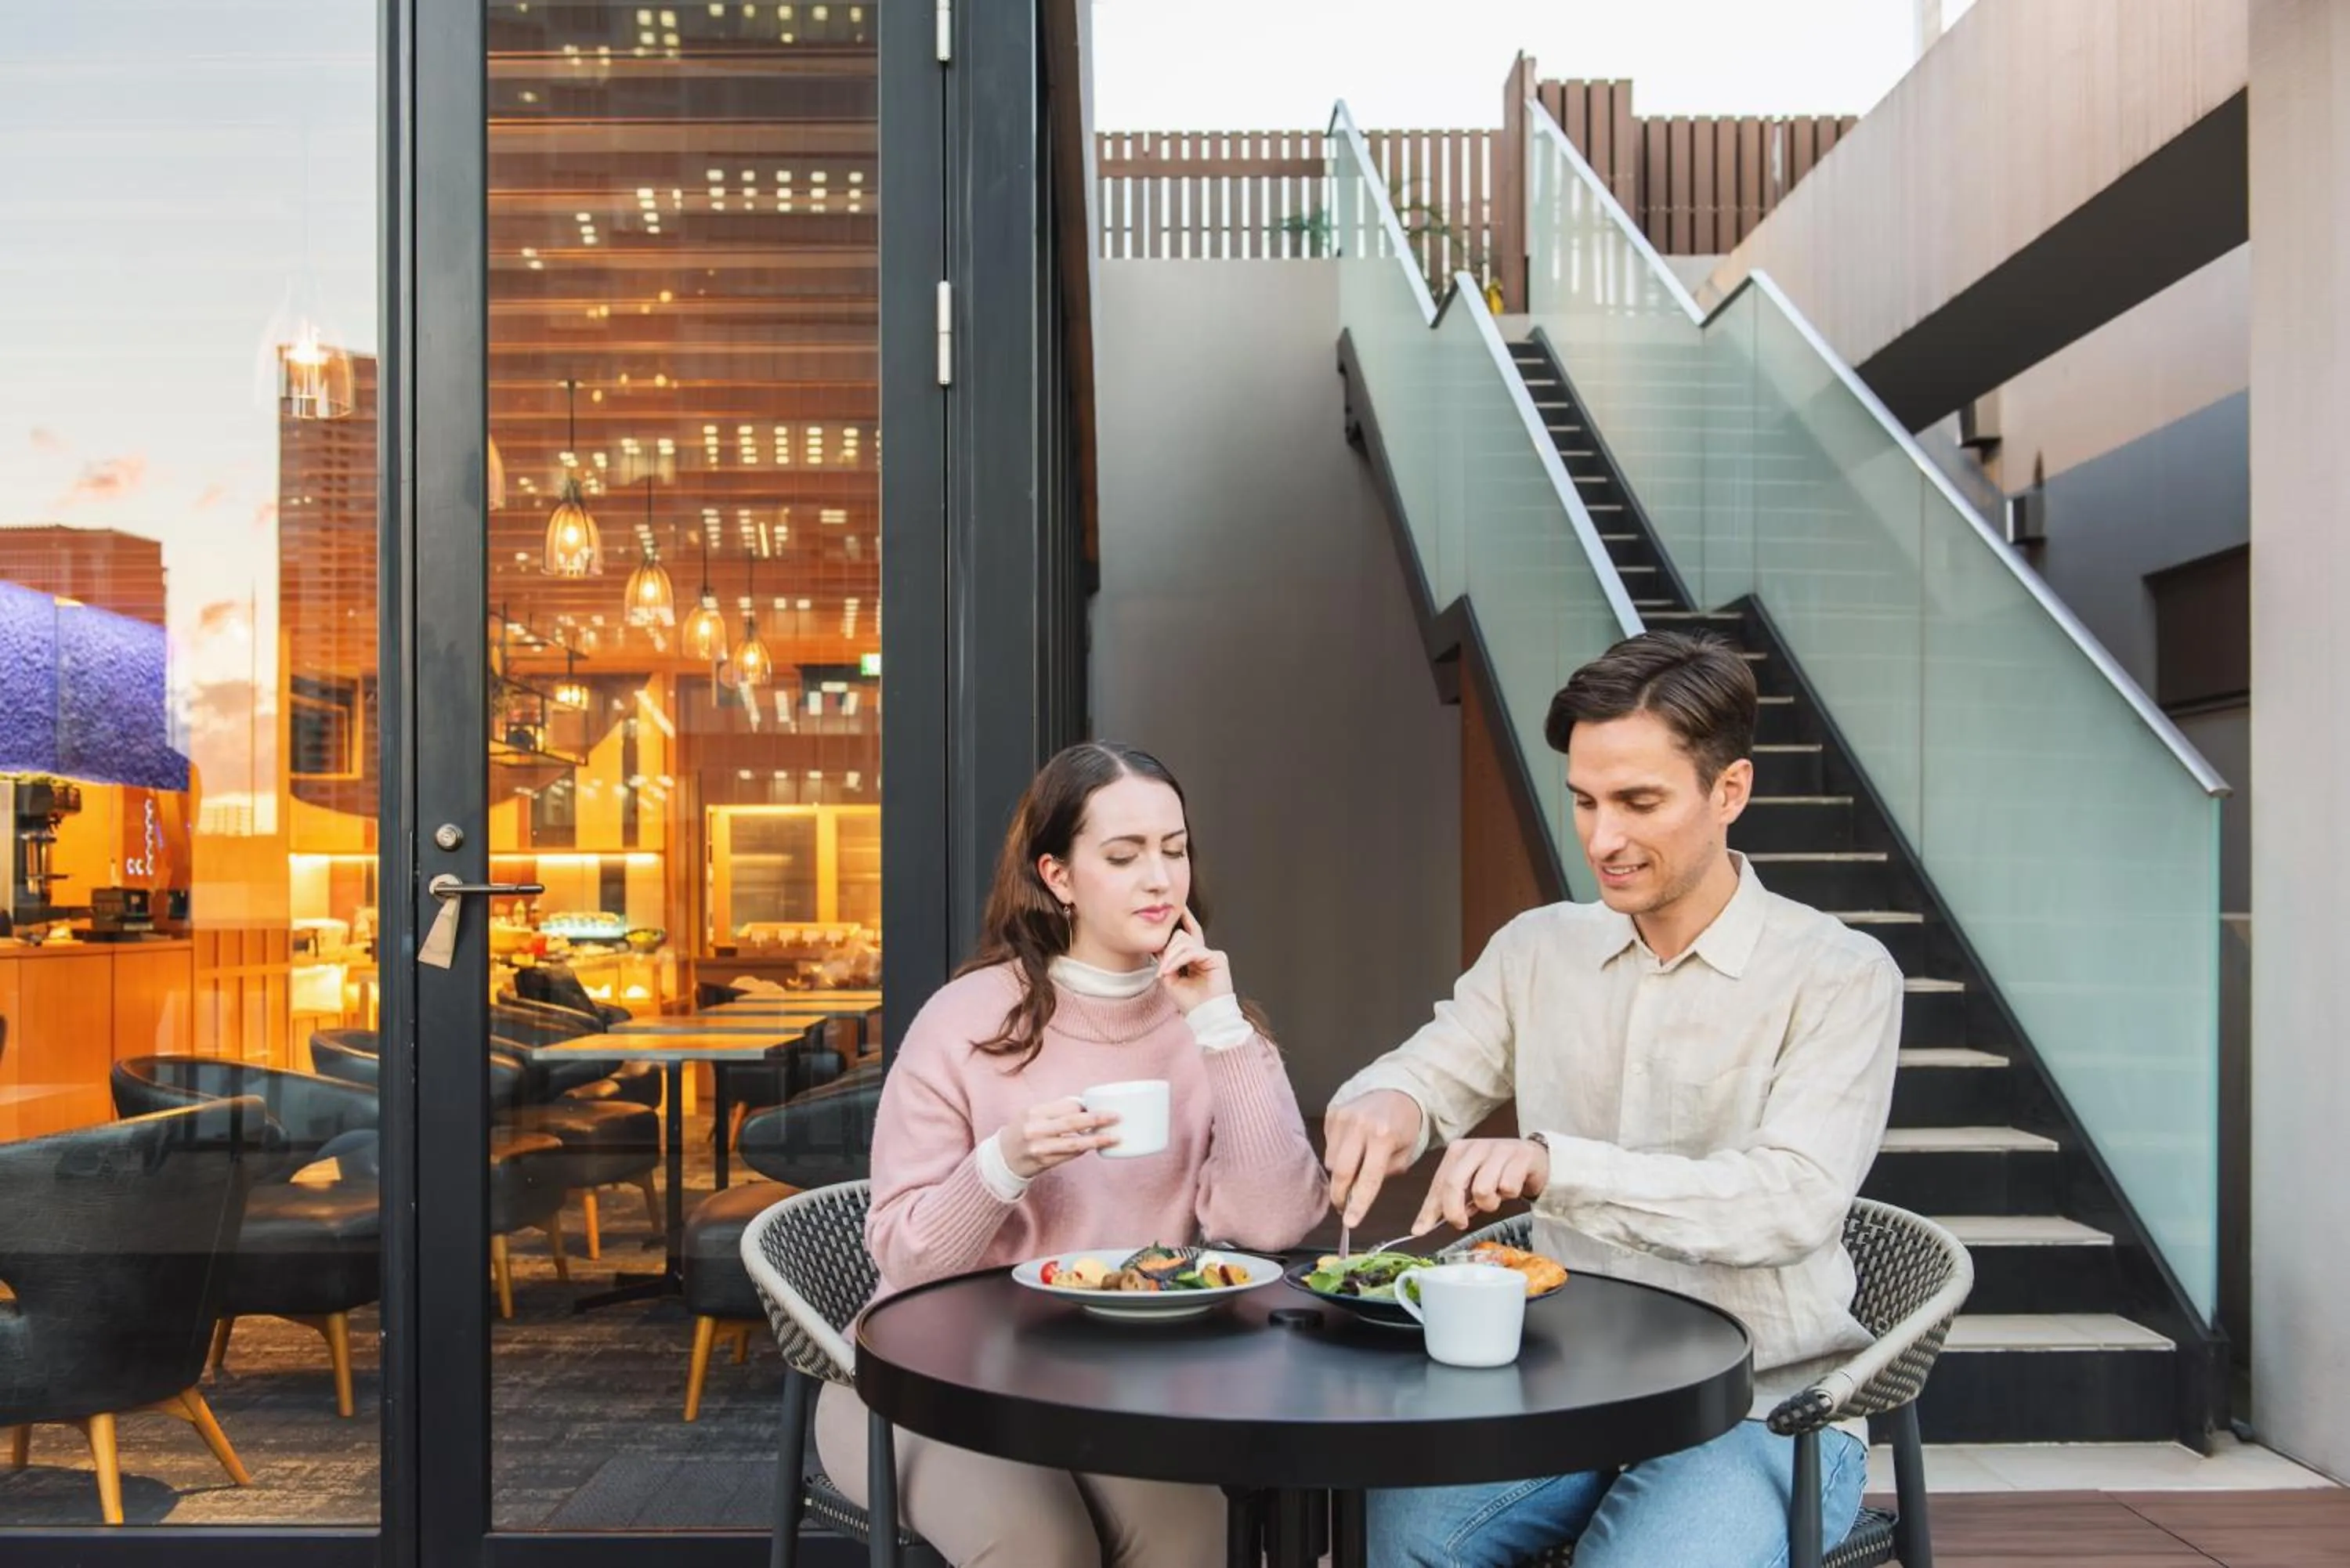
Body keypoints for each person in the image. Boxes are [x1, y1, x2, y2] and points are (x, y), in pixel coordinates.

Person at [1323, 631, 1902, 1568]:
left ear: (1731, 792)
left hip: (1762, 1406)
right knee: (1395, 1541)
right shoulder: (1537, 949)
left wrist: (1558, 1166)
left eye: (1639, 802)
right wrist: (1388, 1101)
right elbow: (1435, 1070)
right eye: (1585, 802)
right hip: (1561, 1386)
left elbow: (1791, 1202)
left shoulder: (1838, 975)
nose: (1601, 839)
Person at [818, 739, 1329, 1568]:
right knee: (1042, 1549)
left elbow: (1275, 1223)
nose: (1160, 879)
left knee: (1198, 1545)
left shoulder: (1210, 1021)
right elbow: (905, 1256)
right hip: (931, 1382)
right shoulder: (966, 1021)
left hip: (1115, 1387)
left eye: (1174, 850)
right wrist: (1004, 1163)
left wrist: (1222, 1028)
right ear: (1058, 876)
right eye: (1124, 856)